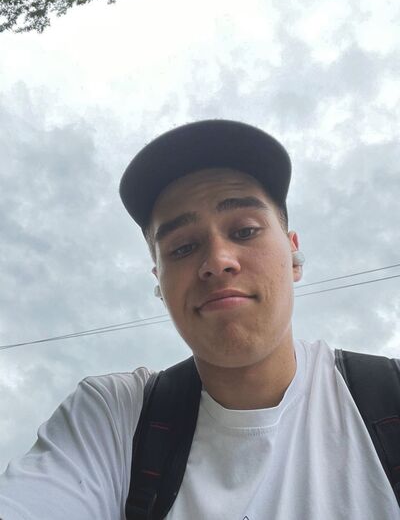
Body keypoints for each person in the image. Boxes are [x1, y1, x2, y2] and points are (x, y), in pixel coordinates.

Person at [0, 119, 398, 520]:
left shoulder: (389, 397)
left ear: (294, 255)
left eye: (245, 230)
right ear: (160, 284)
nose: (218, 261)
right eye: (182, 247)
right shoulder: (113, 417)